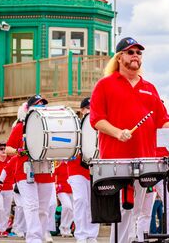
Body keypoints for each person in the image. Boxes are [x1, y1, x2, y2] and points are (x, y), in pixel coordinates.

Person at [90, 37, 169, 243]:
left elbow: (162, 119)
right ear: (120, 57)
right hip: (116, 158)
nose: (136, 56)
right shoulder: (105, 85)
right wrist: (118, 132)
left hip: (145, 158)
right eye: (130, 52)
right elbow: (97, 120)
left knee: (138, 211)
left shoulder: (150, 87)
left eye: (139, 52)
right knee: (122, 211)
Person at [5, 95, 56, 243]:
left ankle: (40, 235)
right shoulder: (21, 127)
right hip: (25, 172)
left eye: (42, 104)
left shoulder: (50, 126)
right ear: (28, 109)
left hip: (45, 171)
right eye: (37, 104)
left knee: (44, 209)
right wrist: (18, 151)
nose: (41, 106)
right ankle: (33, 239)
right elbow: (8, 148)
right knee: (32, 205)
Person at [67, 97, 99, 243]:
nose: (91, 111)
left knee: (94, 202)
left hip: (94, 169)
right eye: (88, 108)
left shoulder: (99, 127)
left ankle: (92, 235)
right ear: (82, 110)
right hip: (76, 168)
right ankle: (80, 235)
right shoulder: (74, 126)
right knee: (80, 200)